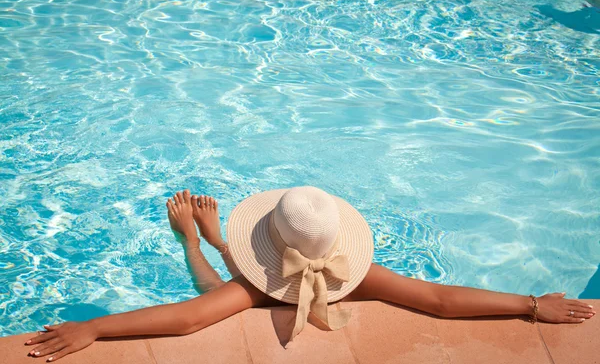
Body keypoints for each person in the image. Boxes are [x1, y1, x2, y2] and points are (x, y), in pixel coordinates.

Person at [25, 187, 595, 362]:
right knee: (227, 286)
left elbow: (190, 317)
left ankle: (197, 240)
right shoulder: (357, 273)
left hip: (241, 284)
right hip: (271, 273)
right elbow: (438, 299)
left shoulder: (251, 284)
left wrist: (97, 328)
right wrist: (527, 305)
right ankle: (215, 239)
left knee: (212, 285)